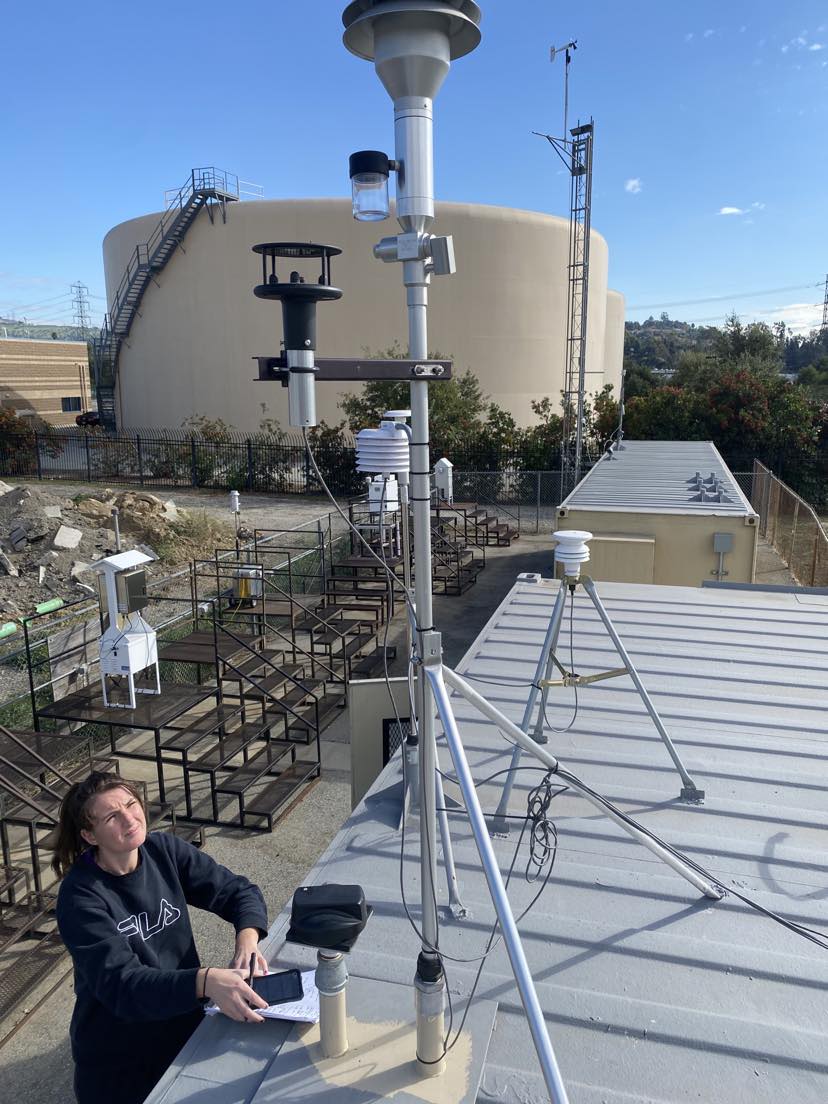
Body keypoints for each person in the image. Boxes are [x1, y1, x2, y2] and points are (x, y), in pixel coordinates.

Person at [54, 771, 271, 1104]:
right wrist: (206, 981)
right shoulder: (80, 898)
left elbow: (238, 891)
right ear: (89, 835)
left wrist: (248, 940)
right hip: (118, 1061)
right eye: (112, 816)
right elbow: (123, 986)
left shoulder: (163, 850)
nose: (130, 818)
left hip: (183, 1031)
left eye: (130, 804)